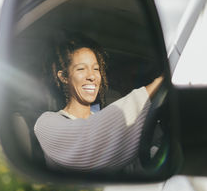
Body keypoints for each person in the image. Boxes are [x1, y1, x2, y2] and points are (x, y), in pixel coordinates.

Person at [34, 32, 163, 171]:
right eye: (81, 69)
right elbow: (87, 141)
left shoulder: (102, 122)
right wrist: (158, 83)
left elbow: (139, 161)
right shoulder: (46, 124)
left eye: (96, 69)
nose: (92, 76)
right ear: (64, 77)